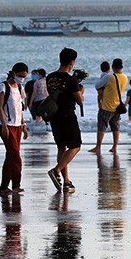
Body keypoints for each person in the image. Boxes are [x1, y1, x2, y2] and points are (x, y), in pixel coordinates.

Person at [46, 48, 85, 193]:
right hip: (67, 115)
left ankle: (66, 182)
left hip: (54, 116)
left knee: (61, 147)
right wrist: (81, 91)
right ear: (72, 62)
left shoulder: (50, 77)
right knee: (75, 146)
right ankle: (56, 171)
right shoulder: (70, 80)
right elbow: (79, 100)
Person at [0, 62, 29, 194]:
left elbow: (20, 109)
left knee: (10, 156)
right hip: (6, 126)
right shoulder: (3, 86)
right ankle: (16, 185)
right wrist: (4, 126)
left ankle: (4, 187)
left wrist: (24, 125)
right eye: (20, 75)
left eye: (24, 76)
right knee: (16, 156)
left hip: (17, 127)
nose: (22, 78)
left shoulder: (20, 88)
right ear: (14, 73)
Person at [90, 58, 127, 154]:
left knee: (102, 126)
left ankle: (98, 147)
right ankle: (114, 147)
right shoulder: (125, 77)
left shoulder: (109, 77)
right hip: (118, 106)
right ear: (122, 67)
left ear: (113, 67)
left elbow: (97, 85)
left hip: (106, 105)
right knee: (116, 127)